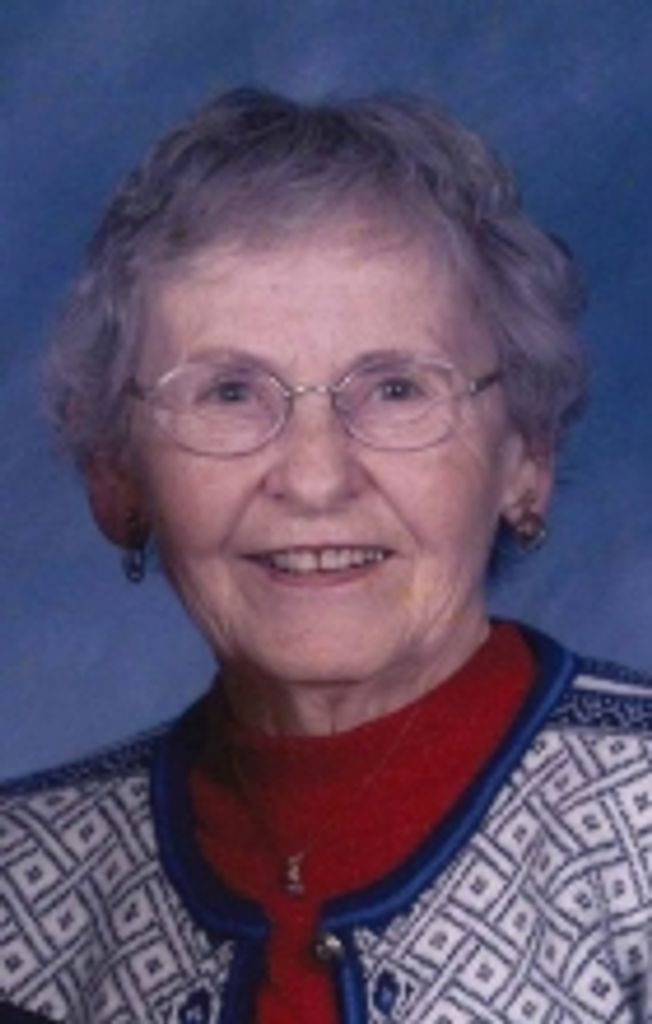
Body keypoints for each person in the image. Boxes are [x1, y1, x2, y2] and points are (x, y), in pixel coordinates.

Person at [1, 87, 651, 1024]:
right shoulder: (19, 882)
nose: (313, 478)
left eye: (396, 389)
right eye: (230, 393)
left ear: (527, 458)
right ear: (116, 476)